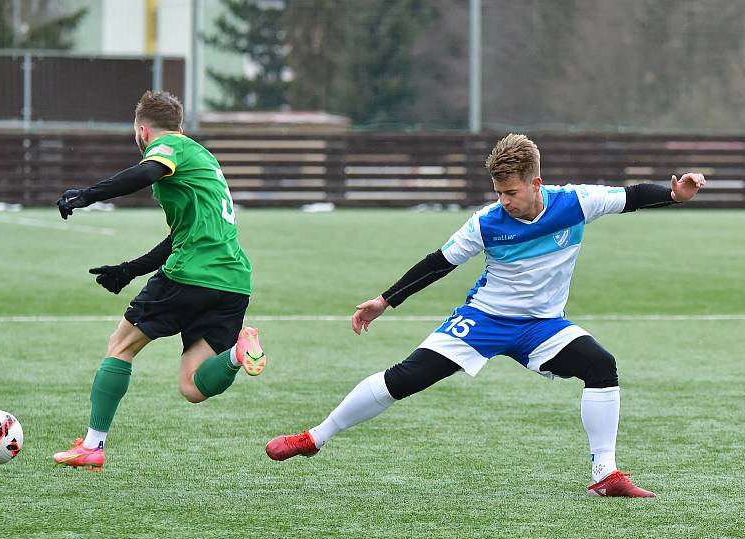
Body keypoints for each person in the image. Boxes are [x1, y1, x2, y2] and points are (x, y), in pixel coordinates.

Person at [266, 133, 705, 497]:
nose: (504, 201)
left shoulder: (576, 202)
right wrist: (385, 300)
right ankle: (315, 437)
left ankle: (605, 476)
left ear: (536, 182)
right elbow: (439, 262)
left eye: (511, 192)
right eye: (498, 192)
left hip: (542, 326)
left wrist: (674, 194)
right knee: (404, 378)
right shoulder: (486, 222)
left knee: (600, 364)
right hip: (484, 321)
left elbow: (630, 196)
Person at [52, 90, 266, 470]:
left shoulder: (170, 148)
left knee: (120, 345)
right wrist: (130, 269)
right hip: (233, 280)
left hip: (192, 273)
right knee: (192, 386)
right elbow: (179, 237)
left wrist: (87, 195)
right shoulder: (202, 158)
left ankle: (92, 445)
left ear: (143, 131)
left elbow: (147, 171)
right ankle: (237, 352)